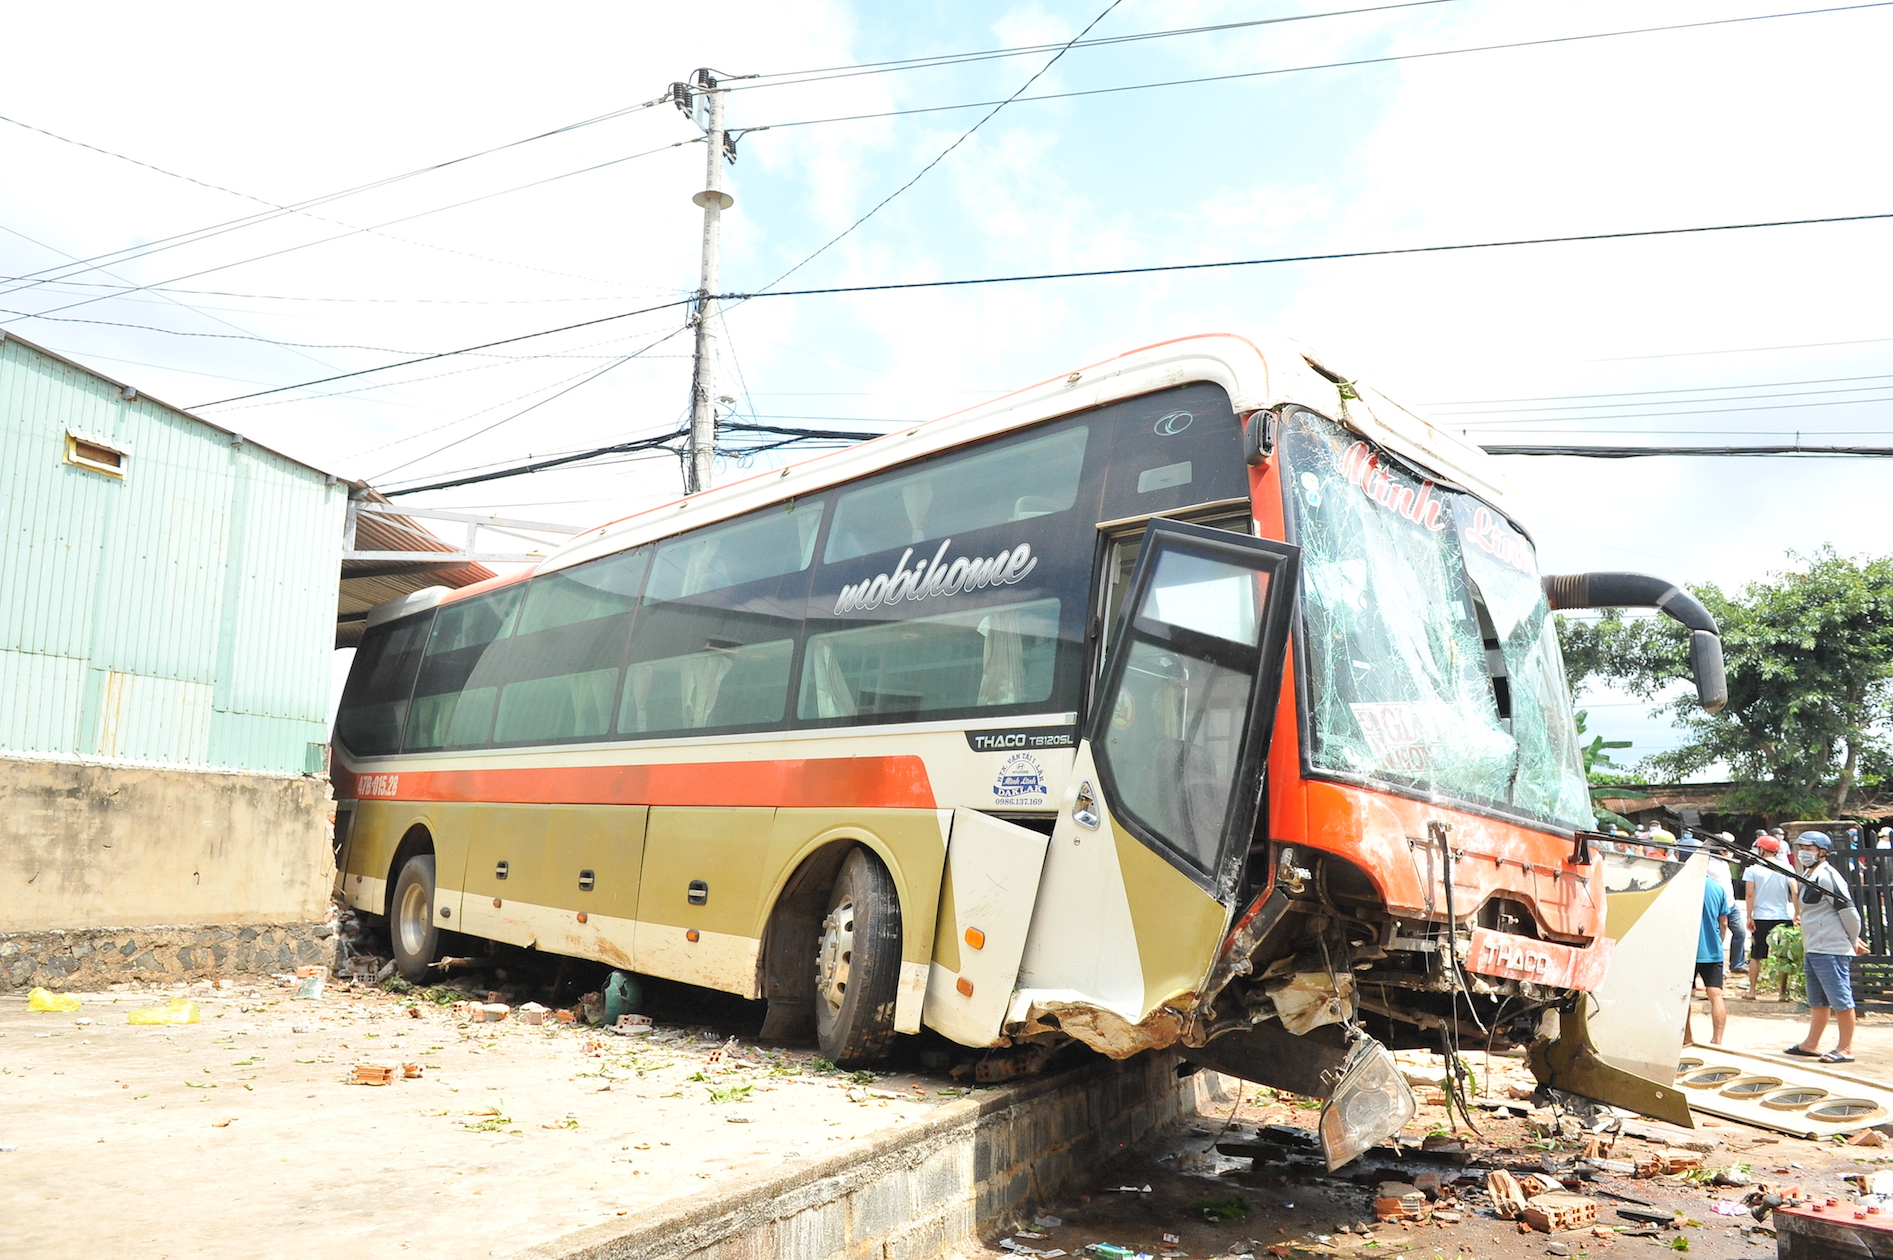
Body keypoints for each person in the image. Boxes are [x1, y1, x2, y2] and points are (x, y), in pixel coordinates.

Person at [1782, 831, 1871, 1063]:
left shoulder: (1829, 876)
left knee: (1841, 999)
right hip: (1815, 947)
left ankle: (1845, 1048)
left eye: (1808, 848)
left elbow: (1849, 913)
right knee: (1818, 1000)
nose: (1803, 852)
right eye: (1800, 847)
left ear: (1822, 851)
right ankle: (1811, 1044)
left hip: (1831, 948)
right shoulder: (1810, 874)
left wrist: (1853, 940)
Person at [1683, 839, 1733, 1047]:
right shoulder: (1717, 888)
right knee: (1716, 995)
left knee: (1683, 998)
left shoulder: (1678, 887)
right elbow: (1724, 923)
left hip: (1687, 952)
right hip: (1713, 950)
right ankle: (1717, 1040)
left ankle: (1687, 1039)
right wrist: (1717, 943)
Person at [1743, 835, 1795, 999]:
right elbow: (1795, 891)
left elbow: (1750, 894)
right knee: (1782, 956)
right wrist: (1798, 913)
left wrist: (1749, 916)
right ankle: (1782, 993)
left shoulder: (1753, 869)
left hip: (1761, 916)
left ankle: (1752, 991)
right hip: (1782, 916)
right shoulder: (1787, 868)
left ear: (1761, 849)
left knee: (1756, 955)